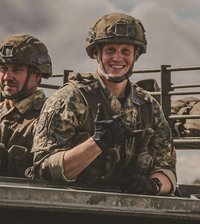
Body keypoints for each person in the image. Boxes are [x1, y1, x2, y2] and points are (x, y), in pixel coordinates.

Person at [29, 12, 176, 195]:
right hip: (71, 207)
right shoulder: (68, 99)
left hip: (132, 209)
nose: (117, 58)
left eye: (125, 51)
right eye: (110, 50)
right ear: (96, 53)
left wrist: (154, 184)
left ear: (135, 55)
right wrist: (96, 144)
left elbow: (167, 169)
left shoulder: (148, 107)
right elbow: (43, 169)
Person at [0, 33, 52, 177]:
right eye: (3, 68)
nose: (7, 77)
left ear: (37, 75)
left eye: (17, 70)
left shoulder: (49, 116)